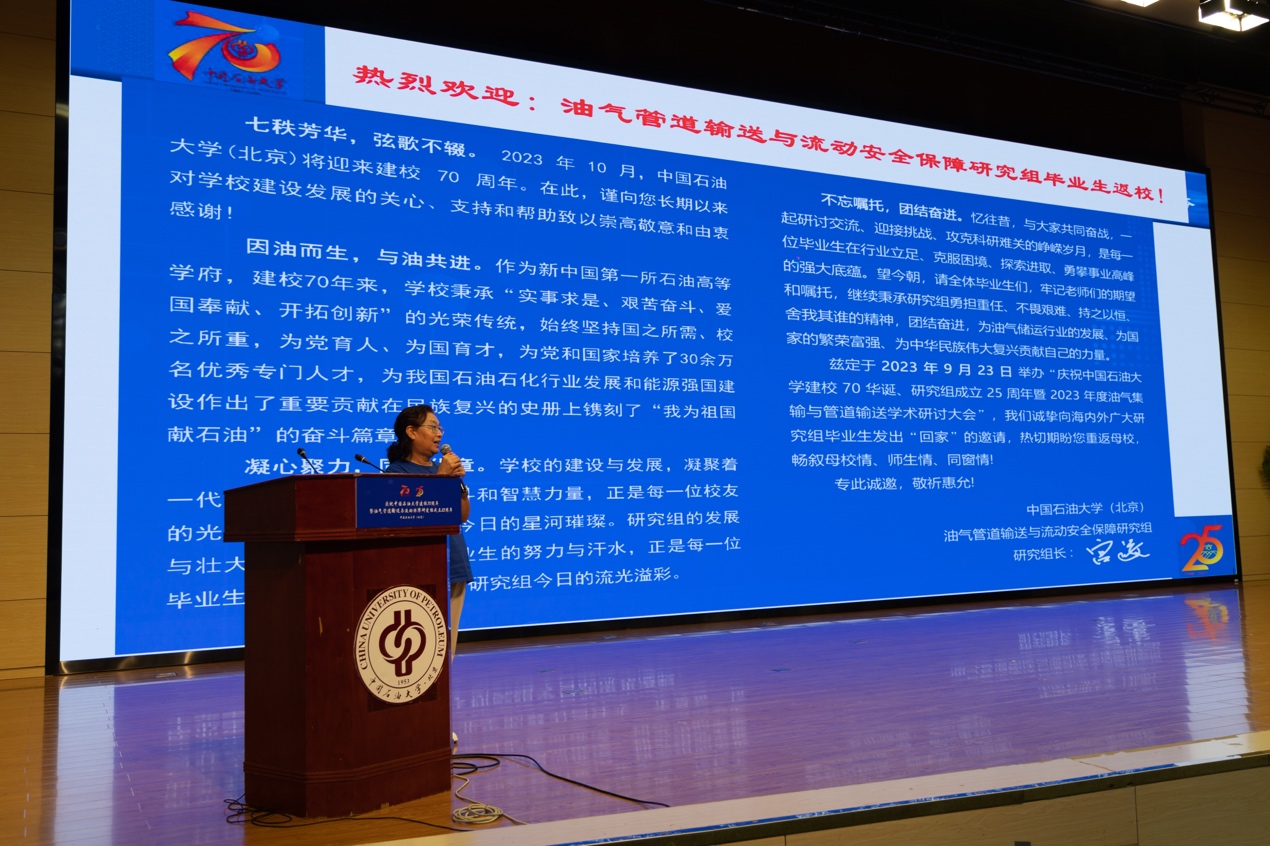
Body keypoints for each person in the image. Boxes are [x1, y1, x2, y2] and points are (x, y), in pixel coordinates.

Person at [384, 405, 472, 663]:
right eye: (432, 427)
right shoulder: (397, 473)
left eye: (439, 428)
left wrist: (459, 486)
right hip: (419, 567)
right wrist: (443, 477)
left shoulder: (440, 470)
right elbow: (419, 514)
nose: (439, 434)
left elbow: (461, 516)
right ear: (411, 432)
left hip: (453, 560)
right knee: (423, 644)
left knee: (448, 645)